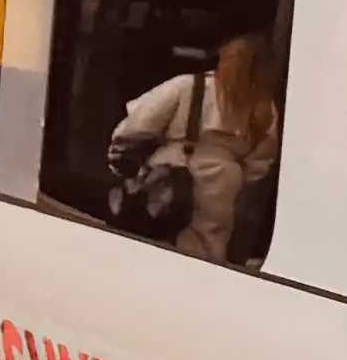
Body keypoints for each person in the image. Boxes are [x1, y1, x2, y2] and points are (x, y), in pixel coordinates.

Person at [105, 27, 282, 268]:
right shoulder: (265, 109)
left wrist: (123, 162)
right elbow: (258, 167)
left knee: (154, 245)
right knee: (206, 250)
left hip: (172, 169)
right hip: (224, 184)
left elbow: (136, 127)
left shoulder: (188, 85)